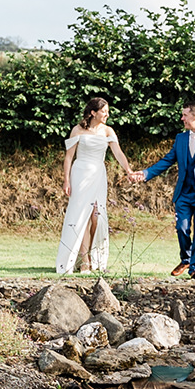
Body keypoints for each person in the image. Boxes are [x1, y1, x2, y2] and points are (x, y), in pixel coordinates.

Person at [134, 98, 195, 279]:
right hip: (183, 193)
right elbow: (167, 160)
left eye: (185, 115)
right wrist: (146, 173)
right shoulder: (181, 138)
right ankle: (186, 258)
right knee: (181, 228)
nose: (182, 119)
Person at [56, 96, 136, 274]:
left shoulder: (108, 131)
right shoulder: (78, 130)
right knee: (81, 216)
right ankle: (85, 259)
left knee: (96, 217)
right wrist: (66, 180)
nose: (107, 114)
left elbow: (118, 153)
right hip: (80, 174)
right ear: (93, 112)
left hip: (98, 175)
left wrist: (129, 170)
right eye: (104, 111)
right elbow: (69, 157)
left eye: (107, 111)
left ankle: (93, 254)